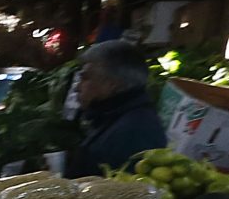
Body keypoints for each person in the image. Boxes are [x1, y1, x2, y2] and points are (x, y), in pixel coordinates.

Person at [69, 40, 167, 176]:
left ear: (112, 84)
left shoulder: (134, 132)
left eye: (85, 78)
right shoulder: (112, 118)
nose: (77, 87)